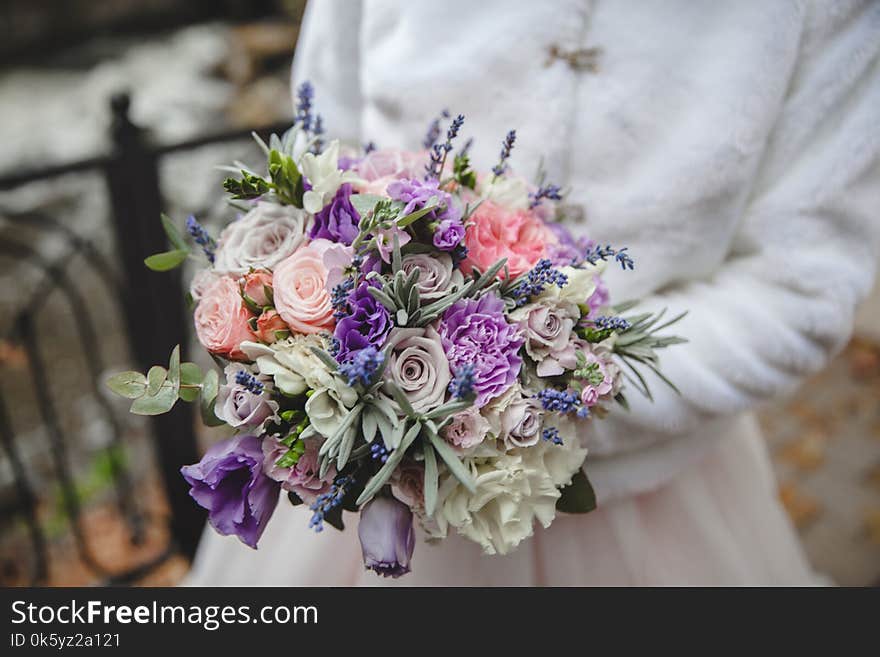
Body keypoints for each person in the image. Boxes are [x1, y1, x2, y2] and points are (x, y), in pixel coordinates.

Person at [186, 0, 880, 585]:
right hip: (367, 488)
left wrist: (534, 402)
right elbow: (321, 150)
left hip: (656, 506)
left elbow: (801, 282)